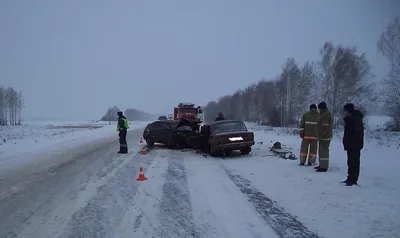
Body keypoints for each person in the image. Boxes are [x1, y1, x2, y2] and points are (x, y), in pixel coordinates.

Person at [342, 103, 364, 186]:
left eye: (345, 111)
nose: (344, 112)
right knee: (350, 162)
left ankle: (353, 180)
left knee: (354, 163)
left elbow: (357, 134)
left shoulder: (356, 120)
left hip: (355, 145)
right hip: (350, 145)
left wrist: (351, 143)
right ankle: (349, 178)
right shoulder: (350, 119)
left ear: (349, 111)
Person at [315, 102, 333, 172]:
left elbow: (325, 127)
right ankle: (321, 165)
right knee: (321, 152)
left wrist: (321, 135)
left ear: (322, 108)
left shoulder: (326, 115)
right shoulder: (323, 114)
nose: (319, 110)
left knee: (324, 152)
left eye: (319, 108)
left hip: (325, 137)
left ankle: (324, 167)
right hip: (323, 137)